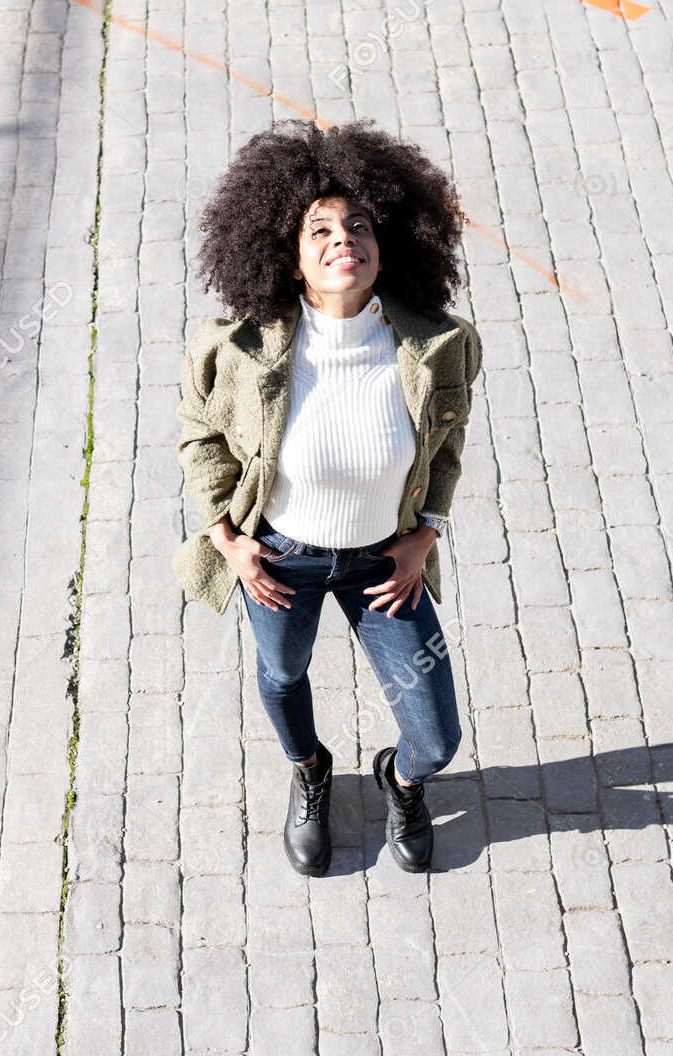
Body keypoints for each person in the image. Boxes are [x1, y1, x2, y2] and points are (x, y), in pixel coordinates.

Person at [171, 119, 484, 877]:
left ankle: (401, 783)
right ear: (289, 254)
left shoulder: (439, 346)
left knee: (438, 736)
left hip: (386, 562)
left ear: (390, 243)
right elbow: (198, 437)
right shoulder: (240, 349)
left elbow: (446, 449)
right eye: (320, 229)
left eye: (359, 224)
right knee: (283, 675)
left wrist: (428, 532)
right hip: (281, 559)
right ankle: (310, 770)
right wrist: (227, 538)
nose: (343, 238)